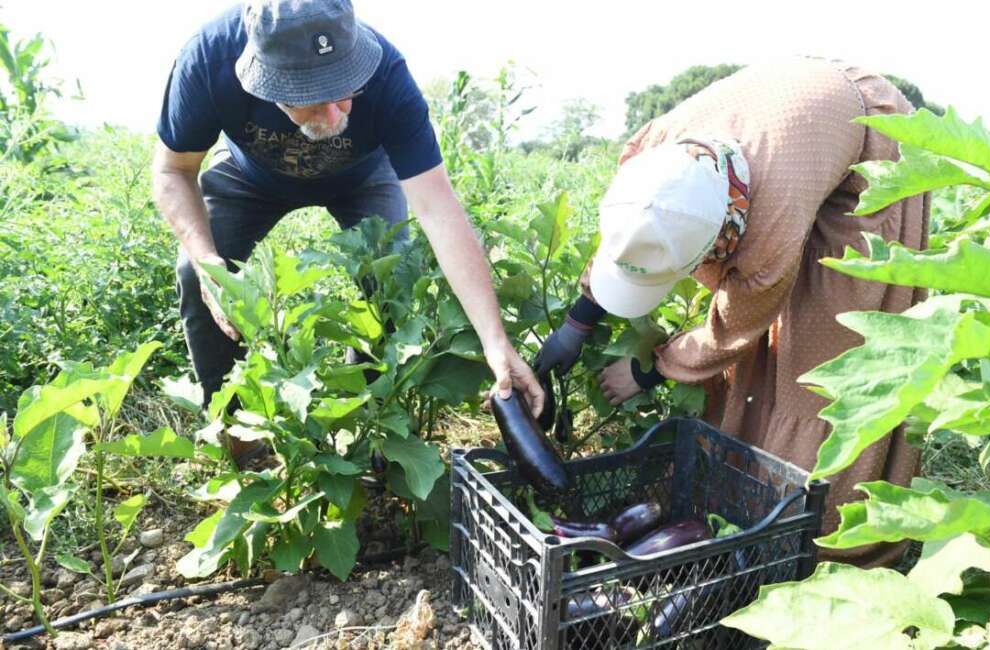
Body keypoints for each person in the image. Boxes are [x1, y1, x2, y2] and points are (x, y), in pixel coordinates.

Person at [536, 59, 929, 568]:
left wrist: (648, 370)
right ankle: (737, 507)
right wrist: (577, 321)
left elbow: (736, 331)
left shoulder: (770, 225)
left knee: (822, 359)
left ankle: (825, 545)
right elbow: (634, 230)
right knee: (771, 354)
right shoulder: (650, 156)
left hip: (871, 145)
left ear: (716, 238)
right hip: (794, 125)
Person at [152, 0, 543, 463]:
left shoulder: (387, 76)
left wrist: (495, 341)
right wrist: (206, 259)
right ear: (264, 78)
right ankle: (239, 438)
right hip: (249, 175)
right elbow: (173, 171)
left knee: (393, 280)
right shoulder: (210, 59)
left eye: (346, 84)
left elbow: (438, 207)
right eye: (314, 95)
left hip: (363, 178)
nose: (339, 107)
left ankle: (372, 432)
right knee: (198, 275)